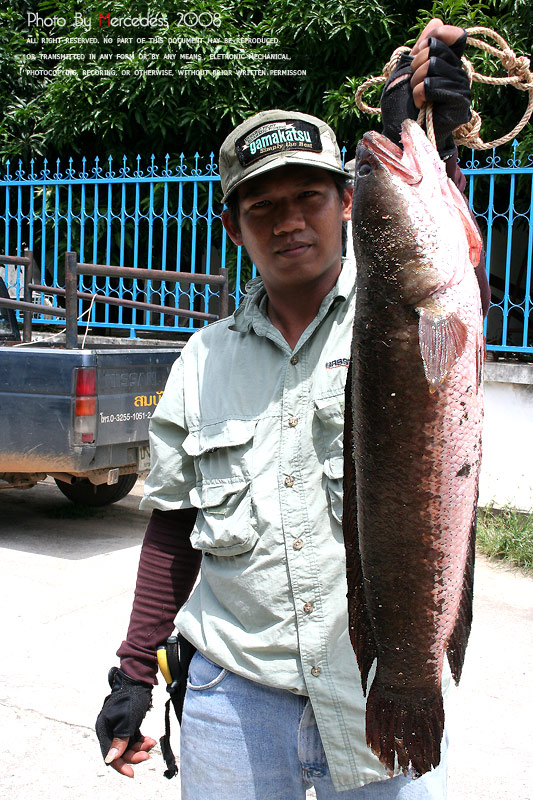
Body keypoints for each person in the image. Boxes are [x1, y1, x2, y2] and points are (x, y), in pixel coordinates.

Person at [96, 18, 490, 799]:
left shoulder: (404, 317)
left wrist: (426, 137)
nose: (286, 221)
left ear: (346, 201)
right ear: (231, 225)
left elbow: (434, 267)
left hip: (377, 689)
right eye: (260, 205)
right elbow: (173, 528)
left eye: (308, 195)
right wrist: (133, 675)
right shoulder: (202, 361)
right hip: (228, 700)